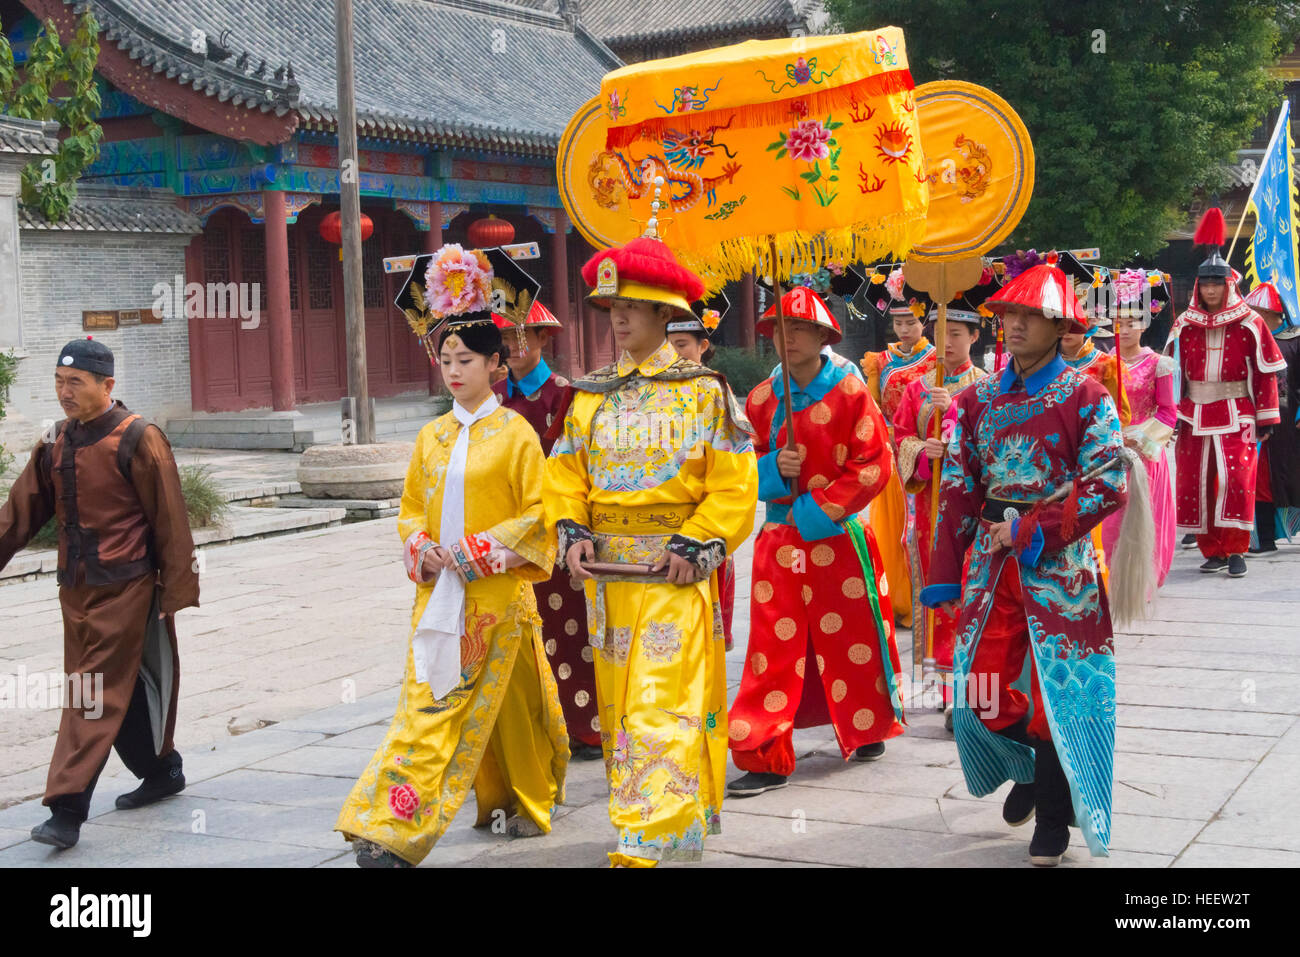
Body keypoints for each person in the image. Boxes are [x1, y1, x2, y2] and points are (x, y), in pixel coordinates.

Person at [338, 245, 568, 867]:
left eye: (466, 359)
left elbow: (538, 514)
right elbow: (411, 506)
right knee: (432, 703)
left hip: (494, 594)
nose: (453, 369)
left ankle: (513, 800)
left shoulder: (517, 434)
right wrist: (420, 546)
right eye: (445, 359)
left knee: (502, 708)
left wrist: (472, 552)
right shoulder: (431, 436)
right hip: (438, 594)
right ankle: (395, 822)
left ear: (496, 363)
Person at [543, 234, 757, 867]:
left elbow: (734, 481)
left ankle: (646, 837)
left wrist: (700, 540)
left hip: (671, 570)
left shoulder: (703, 391)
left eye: (632, 306)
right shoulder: (591, 394)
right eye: (612, 307)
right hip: (609, 578)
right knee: (621, 705)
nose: (619, 318)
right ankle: (659, 816)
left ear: (668, 314)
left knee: (660, 701)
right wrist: (571, 531)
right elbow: (563, 475)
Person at [920, 258, 1128, 866]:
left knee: (1056, 697)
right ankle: (1034, 771)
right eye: (1008, 314)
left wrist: (1033, 530)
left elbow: (1108, 480)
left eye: (1028, 316)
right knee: (978, 692)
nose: (1013, 325)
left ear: (1060, 324)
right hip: (990, 564)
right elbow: (958, 484)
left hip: (1059, 570)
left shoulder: (1088, 395)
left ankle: (1056, 819)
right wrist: (942, 570)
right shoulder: (978, 399)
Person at [0, 338, 198, 849]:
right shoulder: (55, 440)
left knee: (89, 692)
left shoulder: (139, 438)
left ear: (107, 385)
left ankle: (66, 808)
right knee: (121, 687)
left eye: (77, 384)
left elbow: (171, 521)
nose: (65, 393)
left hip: (127, 588)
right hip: (77, 592)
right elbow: (20, 512)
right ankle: (162, 771)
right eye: (59, 383)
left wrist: (173, 591)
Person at [727, 287, 905, 795]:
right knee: (771, 647)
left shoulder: (850, 393)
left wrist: (815, 510)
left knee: (855, 639)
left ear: (825, 336)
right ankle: (764, 752)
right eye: (779, 330)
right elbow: (737, 467)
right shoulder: (761, 399)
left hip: (837, 538)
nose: (789, 338)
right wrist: (770, 470)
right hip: (779, 541)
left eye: (800, 328)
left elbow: (876, 463)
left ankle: (868, 725)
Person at [492, 299, 601, 760]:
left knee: (569, 626)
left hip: (555, 531)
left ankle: (586, 726)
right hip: (507, 533)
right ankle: (535, 726)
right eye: (505, 337)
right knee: (521, 632)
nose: (514, 346)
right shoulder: (493, 398)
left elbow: (576, 466)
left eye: (524, 334)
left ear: (543, 339)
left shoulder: (565, 395)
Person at [1165, 214, 1286, 578]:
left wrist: (1267, 417)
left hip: (1238, 411)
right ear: (1197, 287)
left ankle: (1236, 549)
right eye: (1206, 284)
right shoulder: (1183, 325)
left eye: (1217, 283)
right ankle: (1212, 549)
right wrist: (1168, 416)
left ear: (1228, 286)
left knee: (1235, 480)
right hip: (1192, 413)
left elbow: (1265, 372)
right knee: (1195, 481)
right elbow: (1172, 375)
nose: (1211, 290)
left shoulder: (1251, 322)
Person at [893, 298, 988, 722]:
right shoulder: (915, 389)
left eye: (956, 333)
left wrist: (952, 441)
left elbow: (995, 449)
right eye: (940, 333)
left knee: (968, 588)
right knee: (933, 589)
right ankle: (937, 682)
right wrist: (920, 449)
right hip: (929, 510)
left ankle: (966, 685)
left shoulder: (987, 387)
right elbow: (898, 440)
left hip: (972, 511)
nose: (946, 342)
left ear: (974, 336)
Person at [860, 275, 935, 627]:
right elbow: (873, 406)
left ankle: (925, 595)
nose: (904, 328)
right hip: (890, 449)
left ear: (924, 323)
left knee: (921, 525)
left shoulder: (936, 360)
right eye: (898, 322)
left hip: (923, 452)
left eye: (911, 322)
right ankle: (898, 600)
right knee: (891, 529)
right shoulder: (880, 360)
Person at [668, 302, 738, 653]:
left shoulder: (714, 393)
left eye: (681, 344)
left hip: (702, 522)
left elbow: (734, 475)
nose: (672, 353)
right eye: (667, 344)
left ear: (703, 346)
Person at [1102, 276, 1177, 584]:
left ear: (1144, 325)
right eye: (1119, 322)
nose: (1125, 328)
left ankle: (1145, 578)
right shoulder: (1103, 364)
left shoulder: (1158, 363)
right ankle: (1111, 575)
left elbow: (1168, 411)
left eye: (1132, 322)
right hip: (1108, 450)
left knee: (1148, 516)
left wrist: (1139, 440)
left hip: (1144, 451)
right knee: (1110, 519)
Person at [1243, 281, 1300, 554]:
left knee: (1294, 476)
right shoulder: (1247, 339)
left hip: (1292, 423)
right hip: (1258, 423)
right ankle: (1265, 538)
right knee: (1261, 480)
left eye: (1256, 310)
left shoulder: (1295, 339)